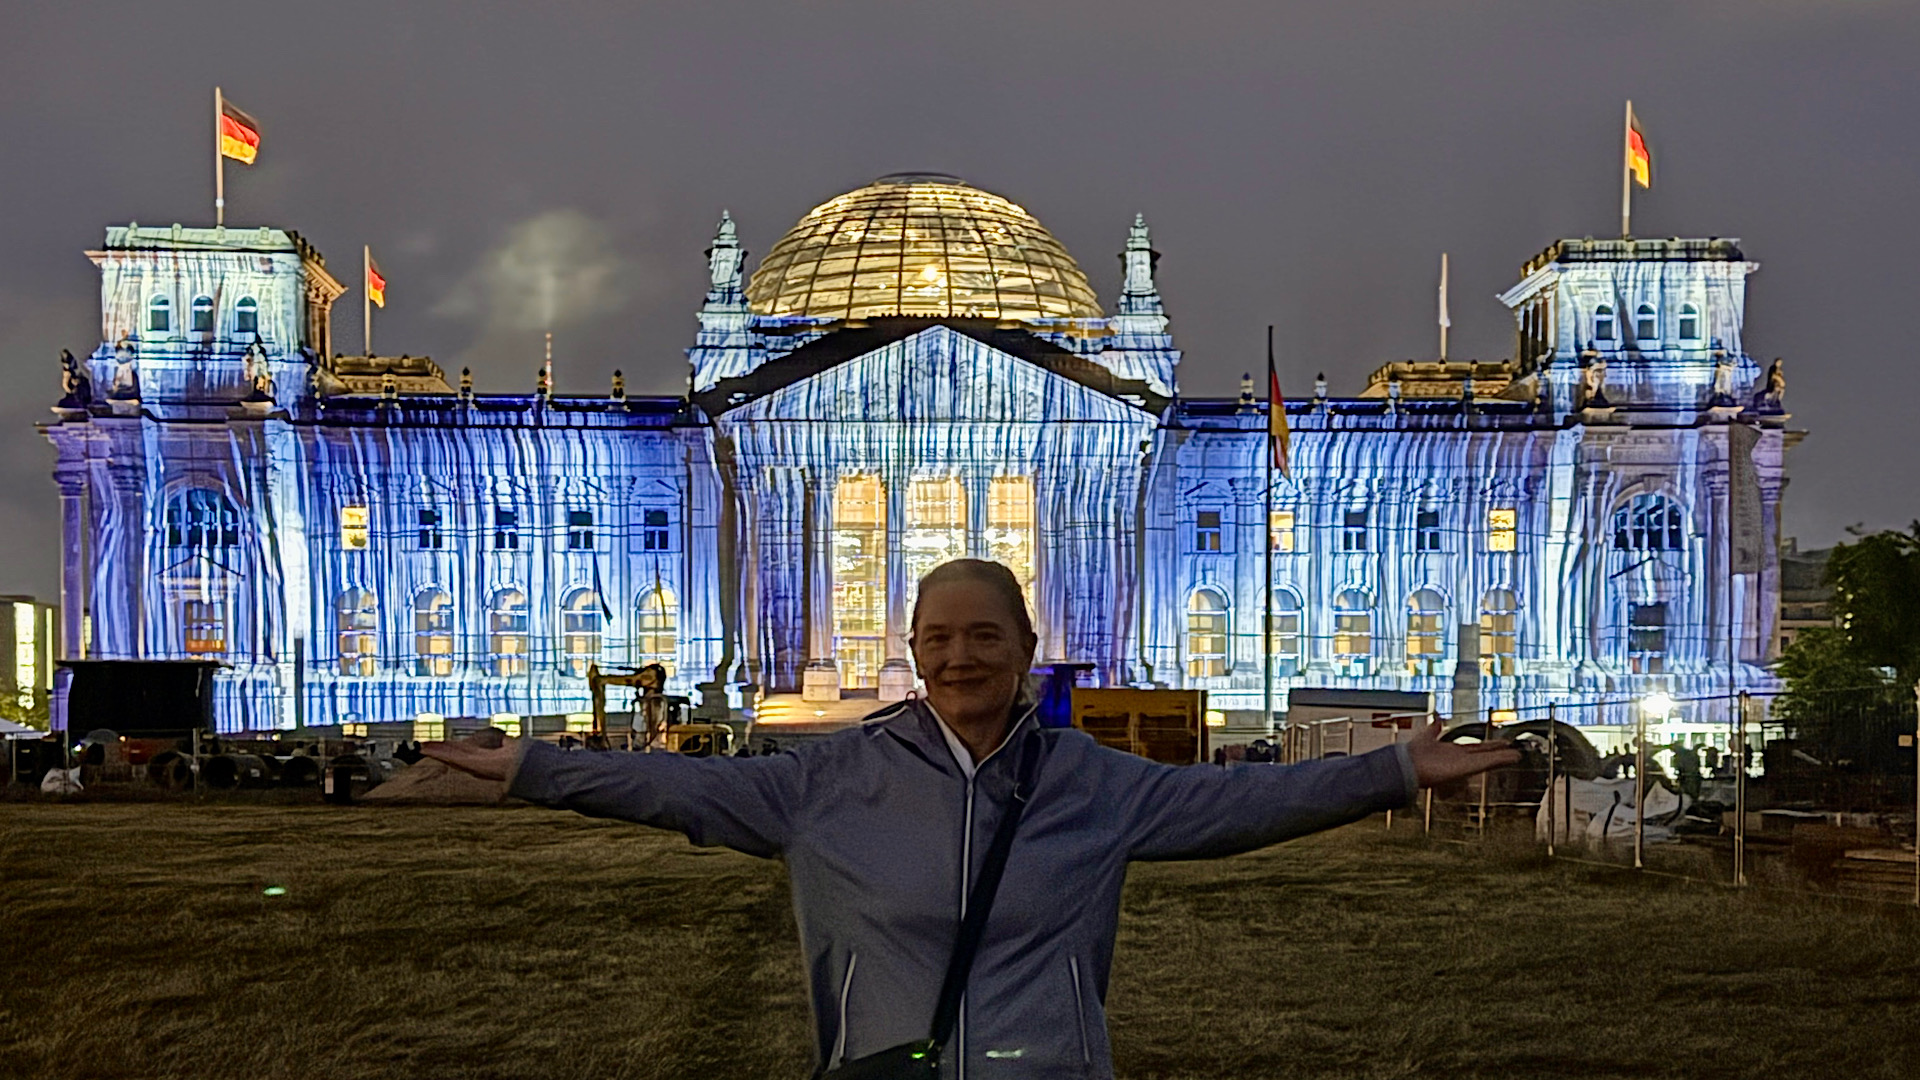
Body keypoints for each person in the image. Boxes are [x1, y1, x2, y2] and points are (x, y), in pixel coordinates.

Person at [426, 559, 1516, 1078]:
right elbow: (675, 791)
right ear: (913, 652)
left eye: (985, 636)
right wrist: (529, 767)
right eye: (938, 638)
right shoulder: (826, 781)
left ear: (1025, 650)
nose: (961, 657)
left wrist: (1390, 773)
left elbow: (1235, 803)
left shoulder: (1092, 782)